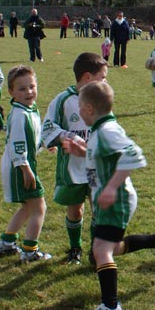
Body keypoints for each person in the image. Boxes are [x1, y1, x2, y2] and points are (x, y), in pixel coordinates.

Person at [78, 81, 155, 310]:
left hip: (116, 199)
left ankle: (110, 306)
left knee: (101, 250)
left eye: (80, 106)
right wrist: (81, 151)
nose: (78, 111)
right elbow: (104, 156)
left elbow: (133, 153)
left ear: (89, 109)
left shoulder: (108, 130)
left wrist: (111, 187)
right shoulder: (101, 130)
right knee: (108, 249)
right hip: (109, 200)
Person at [42, 53, 108, 265]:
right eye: (103, 77)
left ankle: (95, 252)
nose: (106, 82)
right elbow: (48, 127)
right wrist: (65, 136)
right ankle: (74, 248)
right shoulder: (63, 100)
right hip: (72, 167)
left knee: (98, 210)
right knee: (75, 209)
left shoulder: (101, 99)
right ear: (88, 77)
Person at [0, 65, 52, 263]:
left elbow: (32, 136)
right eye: (22, 88)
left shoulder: (29, 109)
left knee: (28, 207)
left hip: (22, 165)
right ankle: (29, 251)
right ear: (11, 92)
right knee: (39, 207)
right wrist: (26, 169)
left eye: (32, 86)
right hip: (20, 167)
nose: (29, 92)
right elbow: (17, 145)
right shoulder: (19, 115)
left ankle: (7, 243)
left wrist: (45, 144)